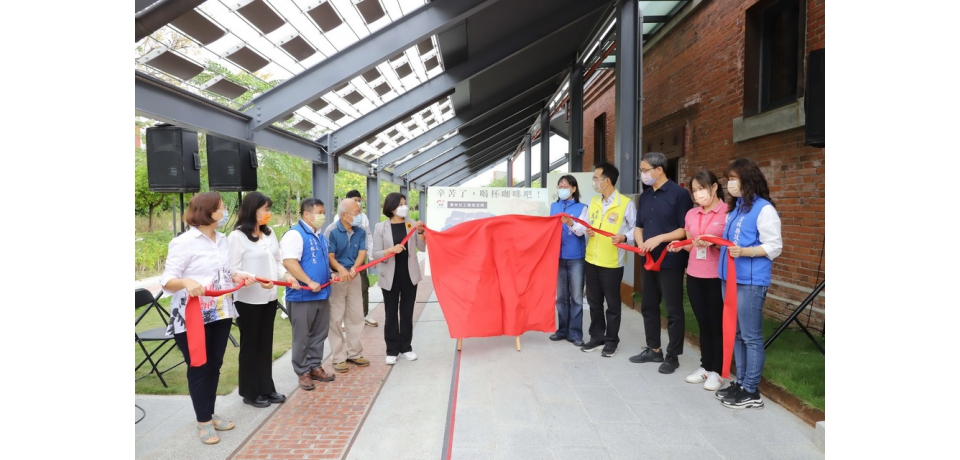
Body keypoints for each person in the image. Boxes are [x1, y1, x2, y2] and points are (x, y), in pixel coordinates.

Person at [160, 192, 256, 445]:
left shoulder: (222, 240)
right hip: (191, 316)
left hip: (220, 312)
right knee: (199, 366)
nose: (224, 212)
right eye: (221, 208)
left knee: (214, 364)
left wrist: (237, 276)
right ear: (207, 211)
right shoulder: (184, 242)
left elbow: (224, 271)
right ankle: (203, 422)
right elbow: (167, 280)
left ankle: (209, 412)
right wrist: (185, 281)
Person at [713, 158, 782, 409]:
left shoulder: (764, 209)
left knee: (751, 336)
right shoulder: (737, 208)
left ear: (748, 180)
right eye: (728, 179)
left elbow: (774, 246)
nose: (729, 184)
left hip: (751, 280)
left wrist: (747, 252)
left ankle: (752, 390)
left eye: (734, 179)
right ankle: (741, 382)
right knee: (738, 333)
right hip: (730, 278)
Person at [228, 192, 297, 408]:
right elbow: (232, 269)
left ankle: (267, 388)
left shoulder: (269, 233)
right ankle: (250, 392)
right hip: (248, 300)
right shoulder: (237, 237)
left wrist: (286, 275)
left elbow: (277, 262)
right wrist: (256, 280)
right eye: (265, 209)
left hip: (268, 297)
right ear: (252, 210)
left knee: (265, 344)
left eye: (269, 209)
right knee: (251, 346)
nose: (268, 213)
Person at [629, 152, 694, 374]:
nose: (642, 174)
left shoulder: (680, 194)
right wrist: (641, 243)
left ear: (659, 170)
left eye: (645, 170)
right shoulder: (645, 196)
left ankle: (673, 355)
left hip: (671, 259)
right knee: (648, 305)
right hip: (647, 258)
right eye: (641, 170)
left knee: (673, 308)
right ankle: (653, 348)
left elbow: (684, 229)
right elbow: (638, 226)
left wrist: (658, 238)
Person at [566, 162, 635, 358]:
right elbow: (583, 226)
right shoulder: (594, 202)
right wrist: (573, 224)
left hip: (612, 263)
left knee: (612, 305)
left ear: (607, 181)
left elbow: (636, 228)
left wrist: (624, 237)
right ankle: (597, 337)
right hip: (592, 260)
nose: (594, 182)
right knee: (595, 303)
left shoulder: (625, 203)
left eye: (596, 178)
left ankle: (612, 341)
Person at [667, 170, 728, 391]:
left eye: (701, 189)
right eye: (694, 190)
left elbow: (731, 246)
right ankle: (705, 367)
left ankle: (718, 371)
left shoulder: (727, 213)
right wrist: (678, 246)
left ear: (713, 187)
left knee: (716, 324)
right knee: (703, 323)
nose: (698, 194)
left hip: (717, 276)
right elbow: (690, 242)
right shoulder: (692, 215)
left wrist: (713, 243)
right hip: (694, 274)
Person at [279, 198, 338, 392]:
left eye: (323, 211)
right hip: (303, 296)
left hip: (322, 294)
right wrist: (308, 281)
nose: (323, 216)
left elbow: (320, 261)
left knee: (319, 334)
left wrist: (330, 274)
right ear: (307, 214)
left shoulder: (320, 235)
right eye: (319, 212)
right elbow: (290, 262)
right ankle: (302, 371)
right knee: (302, 336)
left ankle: (314, 366)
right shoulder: (295, 235)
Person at [371, 193, 426, 365]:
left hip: (409, 275)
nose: (404, 207)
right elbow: (375, 254)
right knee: (391, 313)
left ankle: (406, 347)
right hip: (390, 276)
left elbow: (422, 247)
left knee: (407, 312)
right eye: (400, 204)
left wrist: (421, 232)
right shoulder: (381, 227)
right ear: (392, 207)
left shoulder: (411, 224)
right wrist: (390, 250)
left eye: (405, 203)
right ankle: (392, 349)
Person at [324, 199, 371, 373]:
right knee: (336, 317)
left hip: (354, 276)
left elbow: (362, 252)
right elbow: (330, 255)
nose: (359, 216)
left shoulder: (360, 231)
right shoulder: (332, 231)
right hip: (337, 278)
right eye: (356, 213)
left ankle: (354, 353)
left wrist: (354, 268)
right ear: (344, 215)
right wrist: (341, 270)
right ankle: (338, 357)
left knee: (356, 315)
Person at [552, 175, 588, 347]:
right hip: (557, 257)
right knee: (561, 298)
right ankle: (562, 330)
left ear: (573, 189)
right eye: (560, 186)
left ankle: (575, 333)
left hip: (576, 258)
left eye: (565, 186)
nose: (562, 188)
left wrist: (570, 223)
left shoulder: (582, 208)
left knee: (576, 297)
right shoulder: (554, 206)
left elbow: (582, 231)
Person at [345, 190, 378, 327]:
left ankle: (364, 314)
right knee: (344, 289)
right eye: (354, 199)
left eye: (359, 199)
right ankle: (344, 318)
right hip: (344, 260)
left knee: (363, 286)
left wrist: (371, 256)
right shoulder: (339, 218)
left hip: (360, 257)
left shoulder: (363, 217)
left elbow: (368, 236)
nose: (357, 202)